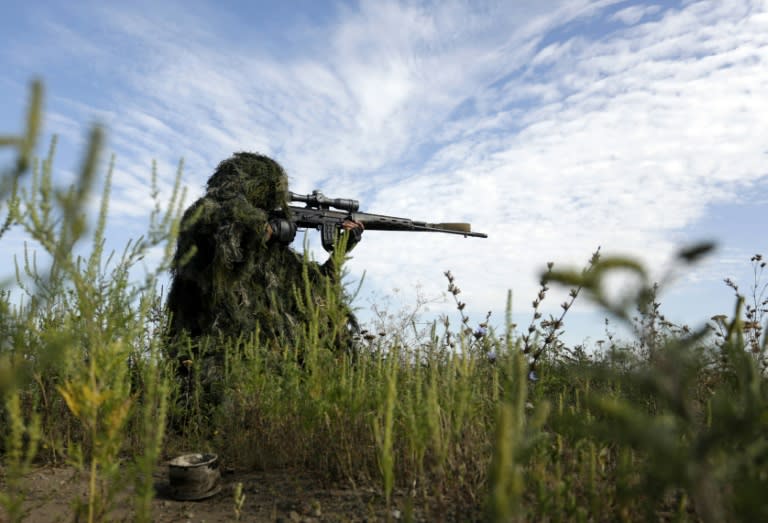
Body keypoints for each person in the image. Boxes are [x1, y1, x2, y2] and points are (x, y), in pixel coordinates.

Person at [166, 152, 363, 372]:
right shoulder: (205, 214)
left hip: (261, 365)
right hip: (209, 357)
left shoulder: (274, 254)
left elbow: (313, 290)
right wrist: (269, 230)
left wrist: (339, 253)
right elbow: (226, 230)